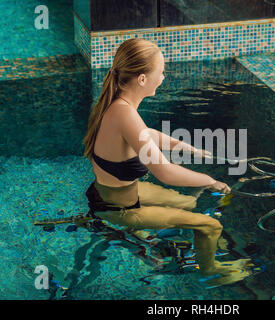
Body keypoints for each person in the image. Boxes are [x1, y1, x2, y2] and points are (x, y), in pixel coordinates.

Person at [83, 38, 252, 286]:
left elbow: (144, 134)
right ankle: (210, 271)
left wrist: (187, 147)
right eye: (161, 72)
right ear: (142, 79)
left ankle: (147, 236)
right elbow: (166, 173)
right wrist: (211, 180)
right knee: (211, 226)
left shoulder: (115, 105)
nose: (163, 77)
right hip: (120, 210)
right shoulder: (125, 113)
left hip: (108, 192)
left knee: (187, 202)